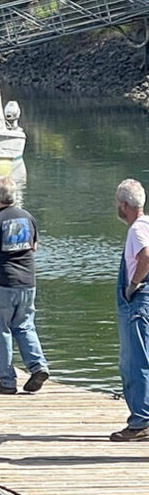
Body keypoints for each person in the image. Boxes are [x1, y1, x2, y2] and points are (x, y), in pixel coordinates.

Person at [0, 175, 49, 395]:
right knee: (25, 326)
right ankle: (38, 366)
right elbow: (33, 246)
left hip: (1, 283)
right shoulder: (28, 218)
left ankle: (7, 380)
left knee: (0, 330)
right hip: (27, 282)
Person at [112, 178, 149, 440]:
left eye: (117, 203)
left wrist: (133, 284)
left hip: (139, 301)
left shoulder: (136, 230)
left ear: (124, 205)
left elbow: (146, 256)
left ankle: (140, 422)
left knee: (134, 361)